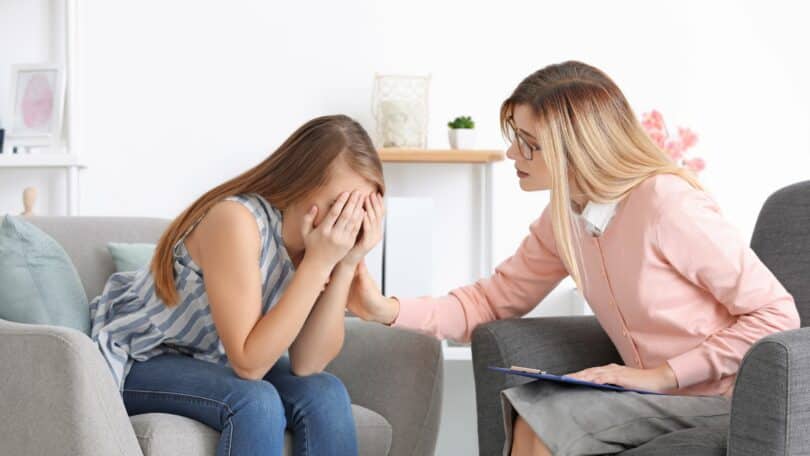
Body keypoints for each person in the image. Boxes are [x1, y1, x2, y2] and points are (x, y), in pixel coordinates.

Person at [347, 61, 800, 455]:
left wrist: (664, 375)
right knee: (532, 408)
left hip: (721, 398)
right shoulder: (564, 218)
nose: (512, 154)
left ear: (578, 145)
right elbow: (490, 302)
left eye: (529, 143)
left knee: (545, 420)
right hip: (647, 395)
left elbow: (777, 313)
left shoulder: (667, 204)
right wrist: (382, 308)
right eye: (514, 139)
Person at [90, 115, 385, 456]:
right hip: (142, 356)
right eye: (339, 206)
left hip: (211, 359)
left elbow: (308, 363)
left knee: (326, 392)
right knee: (255, 402)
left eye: (359, 209)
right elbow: (249, 363)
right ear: (300, 184)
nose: (346, 222)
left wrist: (345, 263)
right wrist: (318, 264)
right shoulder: (237, 221)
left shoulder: (320, 245)